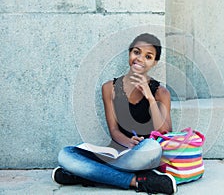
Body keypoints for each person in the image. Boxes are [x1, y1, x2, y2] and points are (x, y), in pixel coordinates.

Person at [52, 33, 177, 194]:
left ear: (154, 63)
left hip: (143, 154)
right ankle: (138, 181)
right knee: (65, 154)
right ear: (129, 54)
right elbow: (114, 131)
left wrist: (150, 98)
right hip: (118, 154)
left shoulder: (161, 92)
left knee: (152, 148)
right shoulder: (109, 88)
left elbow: (165, 132)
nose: (140, 58)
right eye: (136, 52)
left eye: (148, 56)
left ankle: (85, 175)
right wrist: (128, 142)